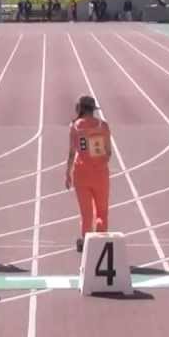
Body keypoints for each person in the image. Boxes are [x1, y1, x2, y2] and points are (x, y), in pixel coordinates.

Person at [65, 95, 111, 253]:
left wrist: (67, 173)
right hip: (100, 174)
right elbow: (108, 152)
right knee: (102, 210)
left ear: (81, 109)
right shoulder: (103, 126)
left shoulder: (75, 127)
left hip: (81, 173)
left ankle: (86, 243)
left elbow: (72, 153)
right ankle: (101, 237)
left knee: (85, 213)